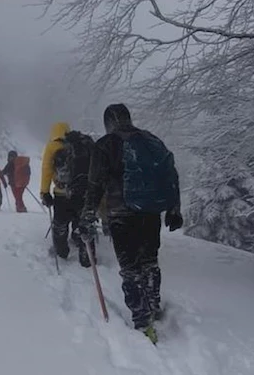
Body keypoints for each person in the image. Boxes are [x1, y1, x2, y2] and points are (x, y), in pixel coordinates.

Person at [79, 103, 183, 343]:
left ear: (108, 122)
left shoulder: (105, 145)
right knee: (149, 261)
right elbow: (170, 174)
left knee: (130, 268)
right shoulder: (151, 140)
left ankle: (143, 322)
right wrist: (174, 209)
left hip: (120, 215)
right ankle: (153, 303)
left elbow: (95, 185)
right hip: (149, 213)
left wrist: (87, 215)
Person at [39, 122, 95, 267]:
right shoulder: (83, 144)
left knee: (60, 225)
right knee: (83, 223)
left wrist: (44, 192)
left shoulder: (52, 146)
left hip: (61, 194)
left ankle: (62, 252)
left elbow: (47, 170)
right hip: (82, 193)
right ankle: (87, 256)